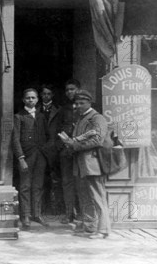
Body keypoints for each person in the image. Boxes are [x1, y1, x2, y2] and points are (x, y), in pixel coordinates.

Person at [59, 89, 111, 239]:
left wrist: (73, 145)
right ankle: (90, 227)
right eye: (76, 103)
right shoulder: (82, 118)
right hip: (81, 164)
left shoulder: (96, 118)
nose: (78, 105)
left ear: (90, 103)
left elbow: (98, 140)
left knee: (97, 197)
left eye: (82, 103)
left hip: (93, 164)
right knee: (85, 196)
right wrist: (70, 142)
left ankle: (103, 230)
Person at [12, 88, 50, 230]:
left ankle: (37, 213)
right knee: (25, 186)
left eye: (33, 98)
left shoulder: (41, 116)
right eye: (28, 98)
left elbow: (46, 135)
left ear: (37, 100)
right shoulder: (19, 117)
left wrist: (45, 152)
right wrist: (21, 158)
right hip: (26, 156)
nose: (31, 100)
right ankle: (25, 215)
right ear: (23, 100)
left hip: (40, 156)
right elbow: (15, 139)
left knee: (38, 186)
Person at [55, 79, 81, 228]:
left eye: (72, 89)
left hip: (80, 150)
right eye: (67, 90)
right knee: (67, 182)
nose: (70, 92)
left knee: (81, 182)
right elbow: (58, 129)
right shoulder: (63, 109)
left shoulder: (86, 108)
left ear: (79, 89)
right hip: (66, 151)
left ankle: (82, 213)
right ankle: (69, 213)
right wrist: (61, 147)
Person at [39, 84, 61, 216]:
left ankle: (56, 209)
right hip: (40, 149)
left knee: (55, 180)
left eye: (48, 94)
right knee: (41, 179)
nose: (46, 96)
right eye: (44, 94)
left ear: (52, 95)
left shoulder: (59, 110)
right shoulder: (35, 109)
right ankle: (42, 208)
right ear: (41, 95)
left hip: (53, 149)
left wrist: (57, 145)